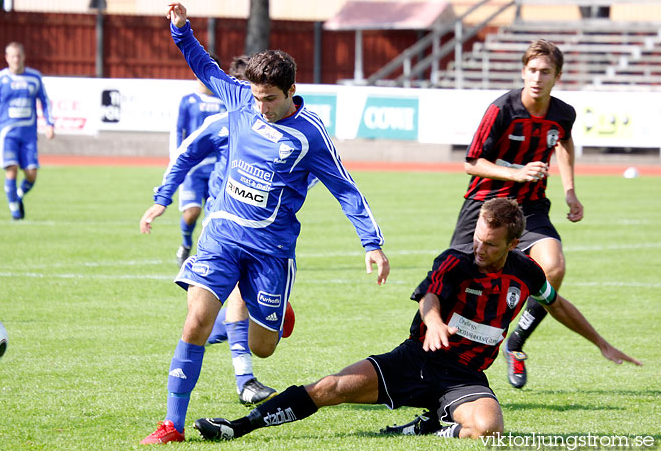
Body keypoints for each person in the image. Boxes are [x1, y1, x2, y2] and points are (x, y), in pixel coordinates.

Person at [139, 3, 389, 445]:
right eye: (256, 97)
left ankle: (274, 310)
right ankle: (171, 425)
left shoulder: (310, 135)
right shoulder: (241, 100)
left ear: (292, 91)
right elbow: (204, 64)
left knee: (262, 347)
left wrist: (372, 243)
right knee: (196, 322)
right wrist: (181, 30)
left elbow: (346, 189)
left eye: (270, 98)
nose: (261, 106)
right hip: (221, 236)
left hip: (270, 251)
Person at [191, 198, 641, 442]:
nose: (478, 249)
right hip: (414, 361)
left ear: (514, 243)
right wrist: (435, 321)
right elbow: (429, 296)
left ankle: (433, 424)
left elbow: (556, 303)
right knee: (327, 389)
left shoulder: (526, 272)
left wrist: (599, 342)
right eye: (478, 239)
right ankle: (236, 427)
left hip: (462, 376)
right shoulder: (455, 261)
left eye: (489, 244)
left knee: (489, 430)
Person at [141, 55, 282, 409]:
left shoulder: (276, 130)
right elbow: (185, 152)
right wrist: (161, 199)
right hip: (221, 224)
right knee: (226, 300)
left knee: (225, 316)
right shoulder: (226, 121)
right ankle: (244, 379)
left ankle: (229, 343)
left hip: (259, 230)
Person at [449, 39, 582, 389]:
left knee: (553, 266)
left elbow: (564, 141)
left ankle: (517, 343)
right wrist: (517, 172)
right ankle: (436, 363)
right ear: (523, 72)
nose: (537, 78)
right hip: (485, 204)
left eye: (546, 72)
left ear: (557, 76)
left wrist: (569, 191)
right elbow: (471, 162)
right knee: (455, 284)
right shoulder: (502, 109)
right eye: (532, 70)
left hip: (531, 206)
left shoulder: (563, 113)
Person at [0, 41, 55, 220]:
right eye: (12, 56)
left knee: (31, 174)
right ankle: (15, 211)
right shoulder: (0, 79)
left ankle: (18, 196)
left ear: (23, 57)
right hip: (8, 133)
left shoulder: (34, 78)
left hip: (29, 135)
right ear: (7, 58)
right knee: (12, 169)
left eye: (19, 56)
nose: (16, 59)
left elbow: (45, 101)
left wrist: (49, 123)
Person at [171, 55, 227, 267]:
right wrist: (177, 160)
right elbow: (178, 130)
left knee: (214, 215)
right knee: (192, 212)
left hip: (218, 167)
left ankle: (208, 255)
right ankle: (185, 245)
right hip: (194, 168)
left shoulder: (225, 101)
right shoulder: (188, 101)